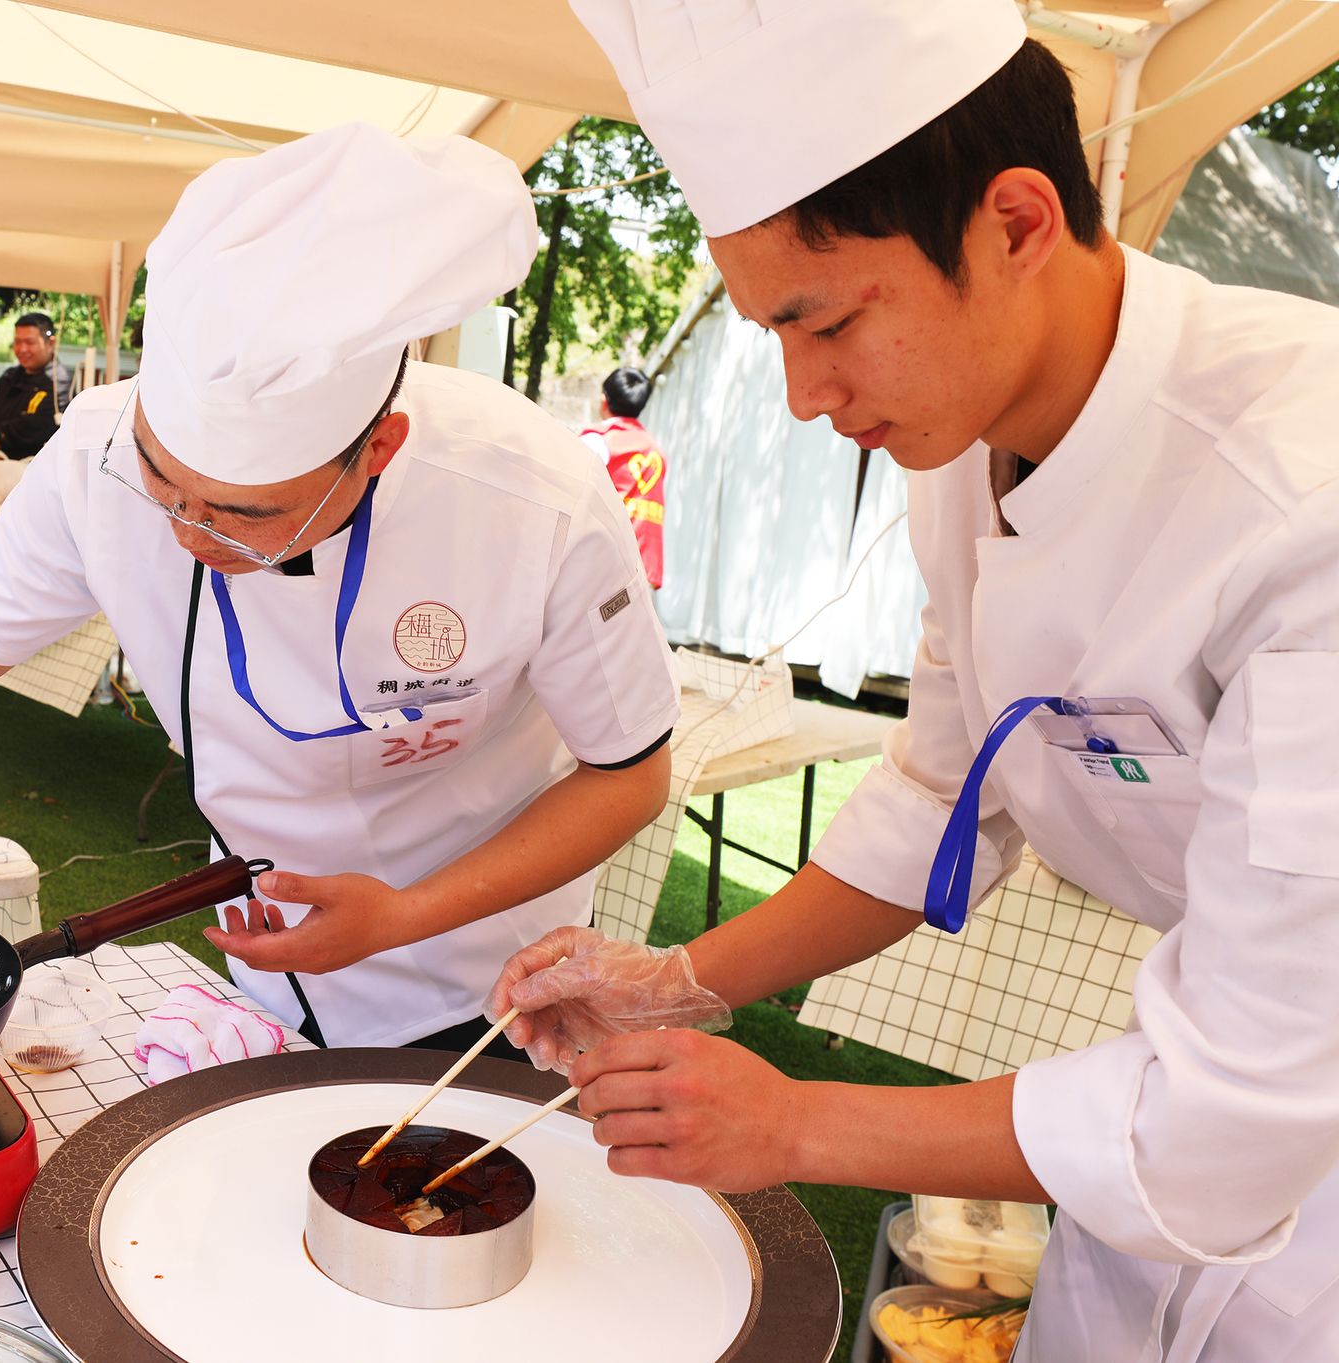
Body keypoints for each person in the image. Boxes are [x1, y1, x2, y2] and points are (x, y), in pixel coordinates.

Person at [493, 2, 1339, 1359]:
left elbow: (1227, 1118)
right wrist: (674, 978)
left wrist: (796, 1121)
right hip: (1167, 1126)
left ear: (1015, 223)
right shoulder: (966, 435)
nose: (803, 394)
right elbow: (947, 786)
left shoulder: (1302, 496)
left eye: (825, 320)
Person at [0, 126, 681, 1064]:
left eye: (243, 514)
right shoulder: (92, 459)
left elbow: (627, 773)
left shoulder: (534, 498)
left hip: (491, 981)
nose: (187, 533)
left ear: (377, 449)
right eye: (162, 484)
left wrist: (405, 913)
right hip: (268, 974)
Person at [578, 366, 665, 592]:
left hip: (605, 560)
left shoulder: (599, 441)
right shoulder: (654, 448)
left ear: (604, 400)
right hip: (644, 562)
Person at [0, 311, 71, 462]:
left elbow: (33, 426)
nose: (22, 349)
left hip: (32, 468)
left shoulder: (59, 384)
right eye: (18, 342)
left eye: (29, 342)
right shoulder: (9, 377)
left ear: (50, 343)